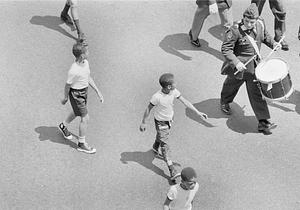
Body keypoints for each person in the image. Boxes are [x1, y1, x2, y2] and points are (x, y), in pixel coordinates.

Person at [220, 3, 281, 135]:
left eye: (251, 22)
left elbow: (265, 37)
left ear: (256, 20)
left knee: (257, 94)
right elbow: (226, 49)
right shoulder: (234, 30)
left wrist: (273, 44)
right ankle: (225, 101)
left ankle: (263, 122)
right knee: (231, 86)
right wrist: (236, 63)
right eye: (246, 21)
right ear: (243, 18)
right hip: (239, 68)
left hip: (254, 68)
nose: (248, 24)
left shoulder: (260, 24)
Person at [139, 73, 207, 180]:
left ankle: (155, 146)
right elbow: (148, 108)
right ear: (169, 86)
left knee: (161, 137)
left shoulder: (174, 92)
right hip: (161, 122)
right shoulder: (157, 97)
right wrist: (143, 122)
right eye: (175, 82)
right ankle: (172, 170)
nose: (177, 83)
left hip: (169, 120)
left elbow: (185, 102)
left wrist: (198, 112)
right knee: (165, 146)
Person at [58, 42, 104, 154]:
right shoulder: (73, 70)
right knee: (85, 117)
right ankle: (81, 144)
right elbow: (67, 85)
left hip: (84, 92)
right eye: (86, 51)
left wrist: (98, 91)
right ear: (82, 55)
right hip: (76, 95)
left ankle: (63, 125)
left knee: (76, 111)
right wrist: (65, 98)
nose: (89, 52)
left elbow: (88, 77)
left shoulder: (86, 63)